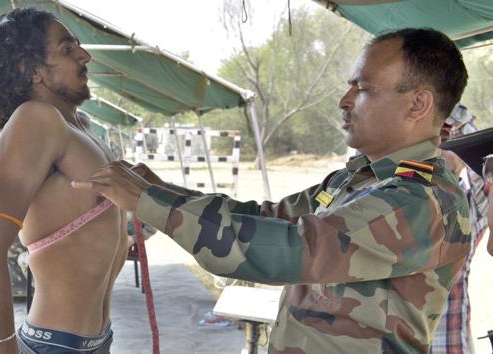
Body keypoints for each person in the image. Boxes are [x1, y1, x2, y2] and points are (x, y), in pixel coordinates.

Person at [73, 28, 472, 353]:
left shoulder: (419, 200)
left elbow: (282, 248)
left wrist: (148, 201)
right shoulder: (359, 179)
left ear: (418, 104)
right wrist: (161, 189)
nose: (344, 100)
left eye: (362, 89)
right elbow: (266, 217)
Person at [0, 8, 128, 354]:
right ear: (31, 70)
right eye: (67, 50)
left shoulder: (79, 125)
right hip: (56, 346)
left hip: (98, 341)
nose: (85, 55)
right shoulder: (35, 121)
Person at [431, 105, 489, 354]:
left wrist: (440, 100)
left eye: (451, 144)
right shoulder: (395, 200)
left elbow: (482, 147)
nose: (443, 151)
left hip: (449, 344)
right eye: (436, 142)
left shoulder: (472, 204)